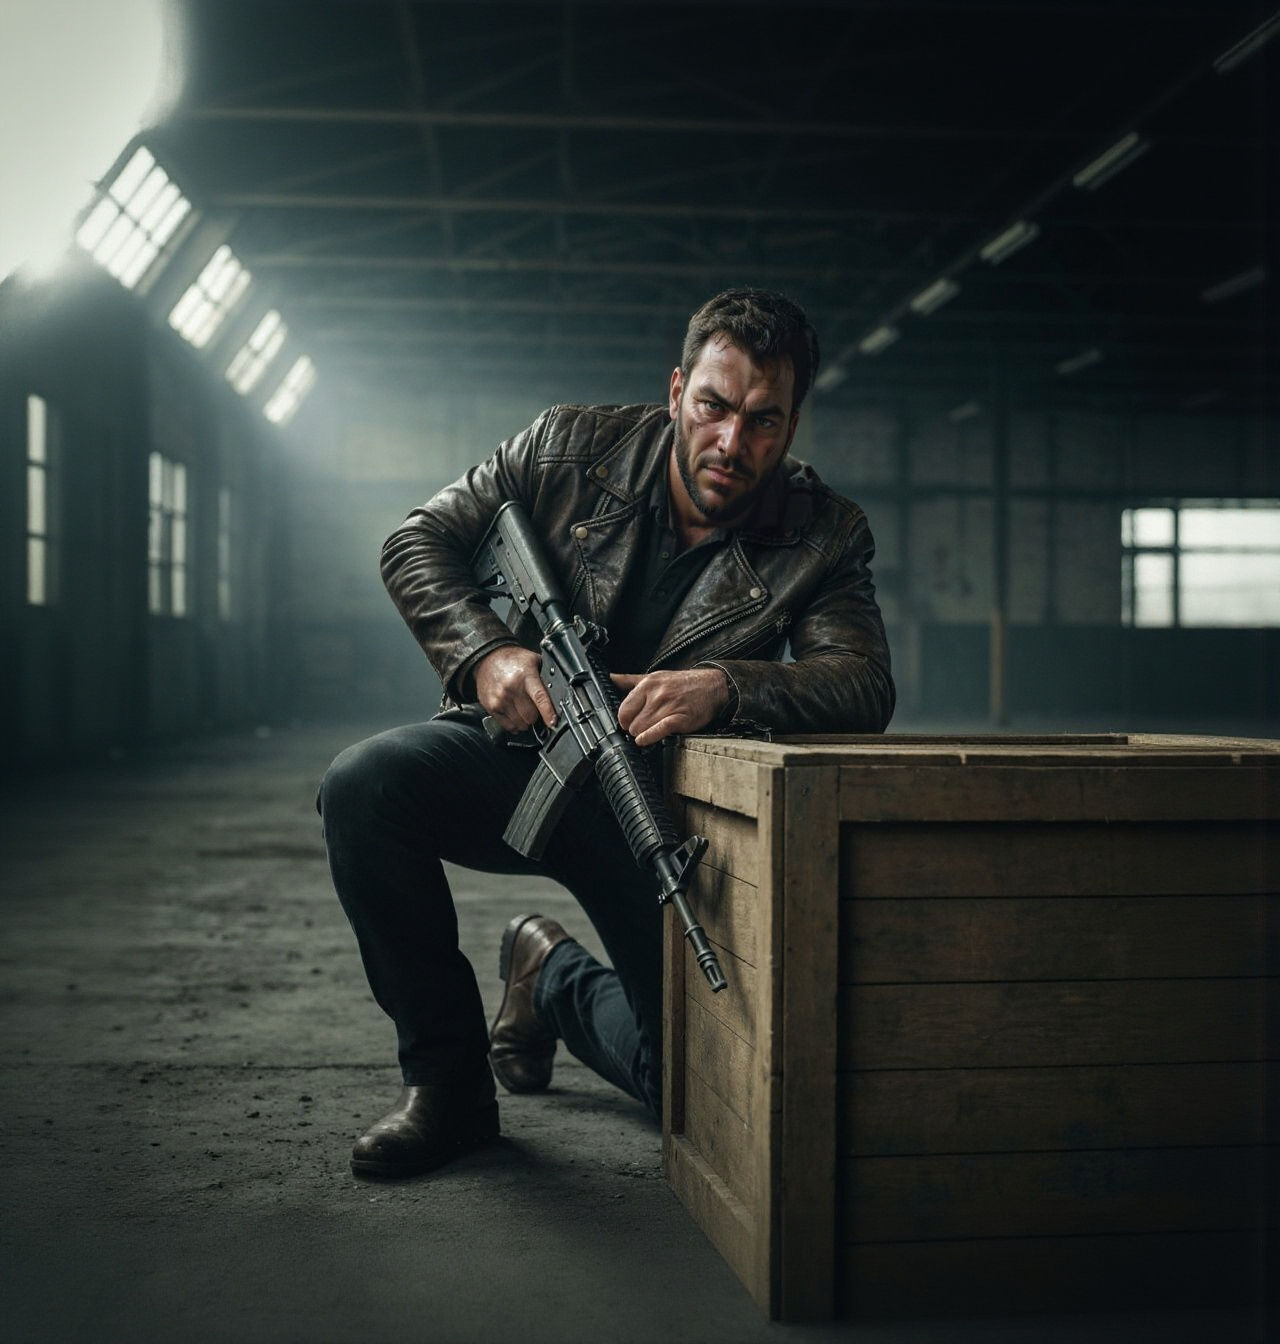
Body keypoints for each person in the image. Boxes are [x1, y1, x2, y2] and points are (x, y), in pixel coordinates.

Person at [319, 288, 894, 1178]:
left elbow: (860, 682)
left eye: (763, 421)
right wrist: (488, 655)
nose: (733, 444)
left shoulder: (824, 536)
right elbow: (419, 540)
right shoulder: (566, 448)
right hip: (523, 759)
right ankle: (448, 1090)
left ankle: (547, 975)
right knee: (363, 787)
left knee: (691, 1092)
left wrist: (723, 686)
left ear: (792, 423)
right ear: (676, 392)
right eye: (713, 407)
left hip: (657, 814)